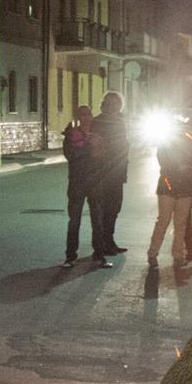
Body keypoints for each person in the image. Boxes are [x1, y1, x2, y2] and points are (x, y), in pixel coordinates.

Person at [149, 119, 192, 273]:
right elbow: (163, 159)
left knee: (180, 223)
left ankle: (177, 256)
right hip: (170, 186)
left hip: (183, 187)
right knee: (164, 220)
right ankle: (153, 254)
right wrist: (179, 166)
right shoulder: (169, 141)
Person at [89, 92, 132, 261]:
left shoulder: (119, 120)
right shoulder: (99, 121)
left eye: (117, 103)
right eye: (110, 103)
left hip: (118, 171)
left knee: (114, 208)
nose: (114, 106)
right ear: (105, 104)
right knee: (104, 210)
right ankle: (101, 245)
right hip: (104, 172)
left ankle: (109, 241)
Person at [60, 103, 94, 266]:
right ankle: (70, 255)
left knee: (97, 219)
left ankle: (99, 254)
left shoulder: (97, 135)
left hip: (95, 181)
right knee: (74, 220)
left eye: (88, 114)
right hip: (77, 182)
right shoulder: (72, 136)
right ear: (78, 118)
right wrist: (87, 147)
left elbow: (105, 155)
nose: (86, 118)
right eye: (83, 115)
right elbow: (71, 156)